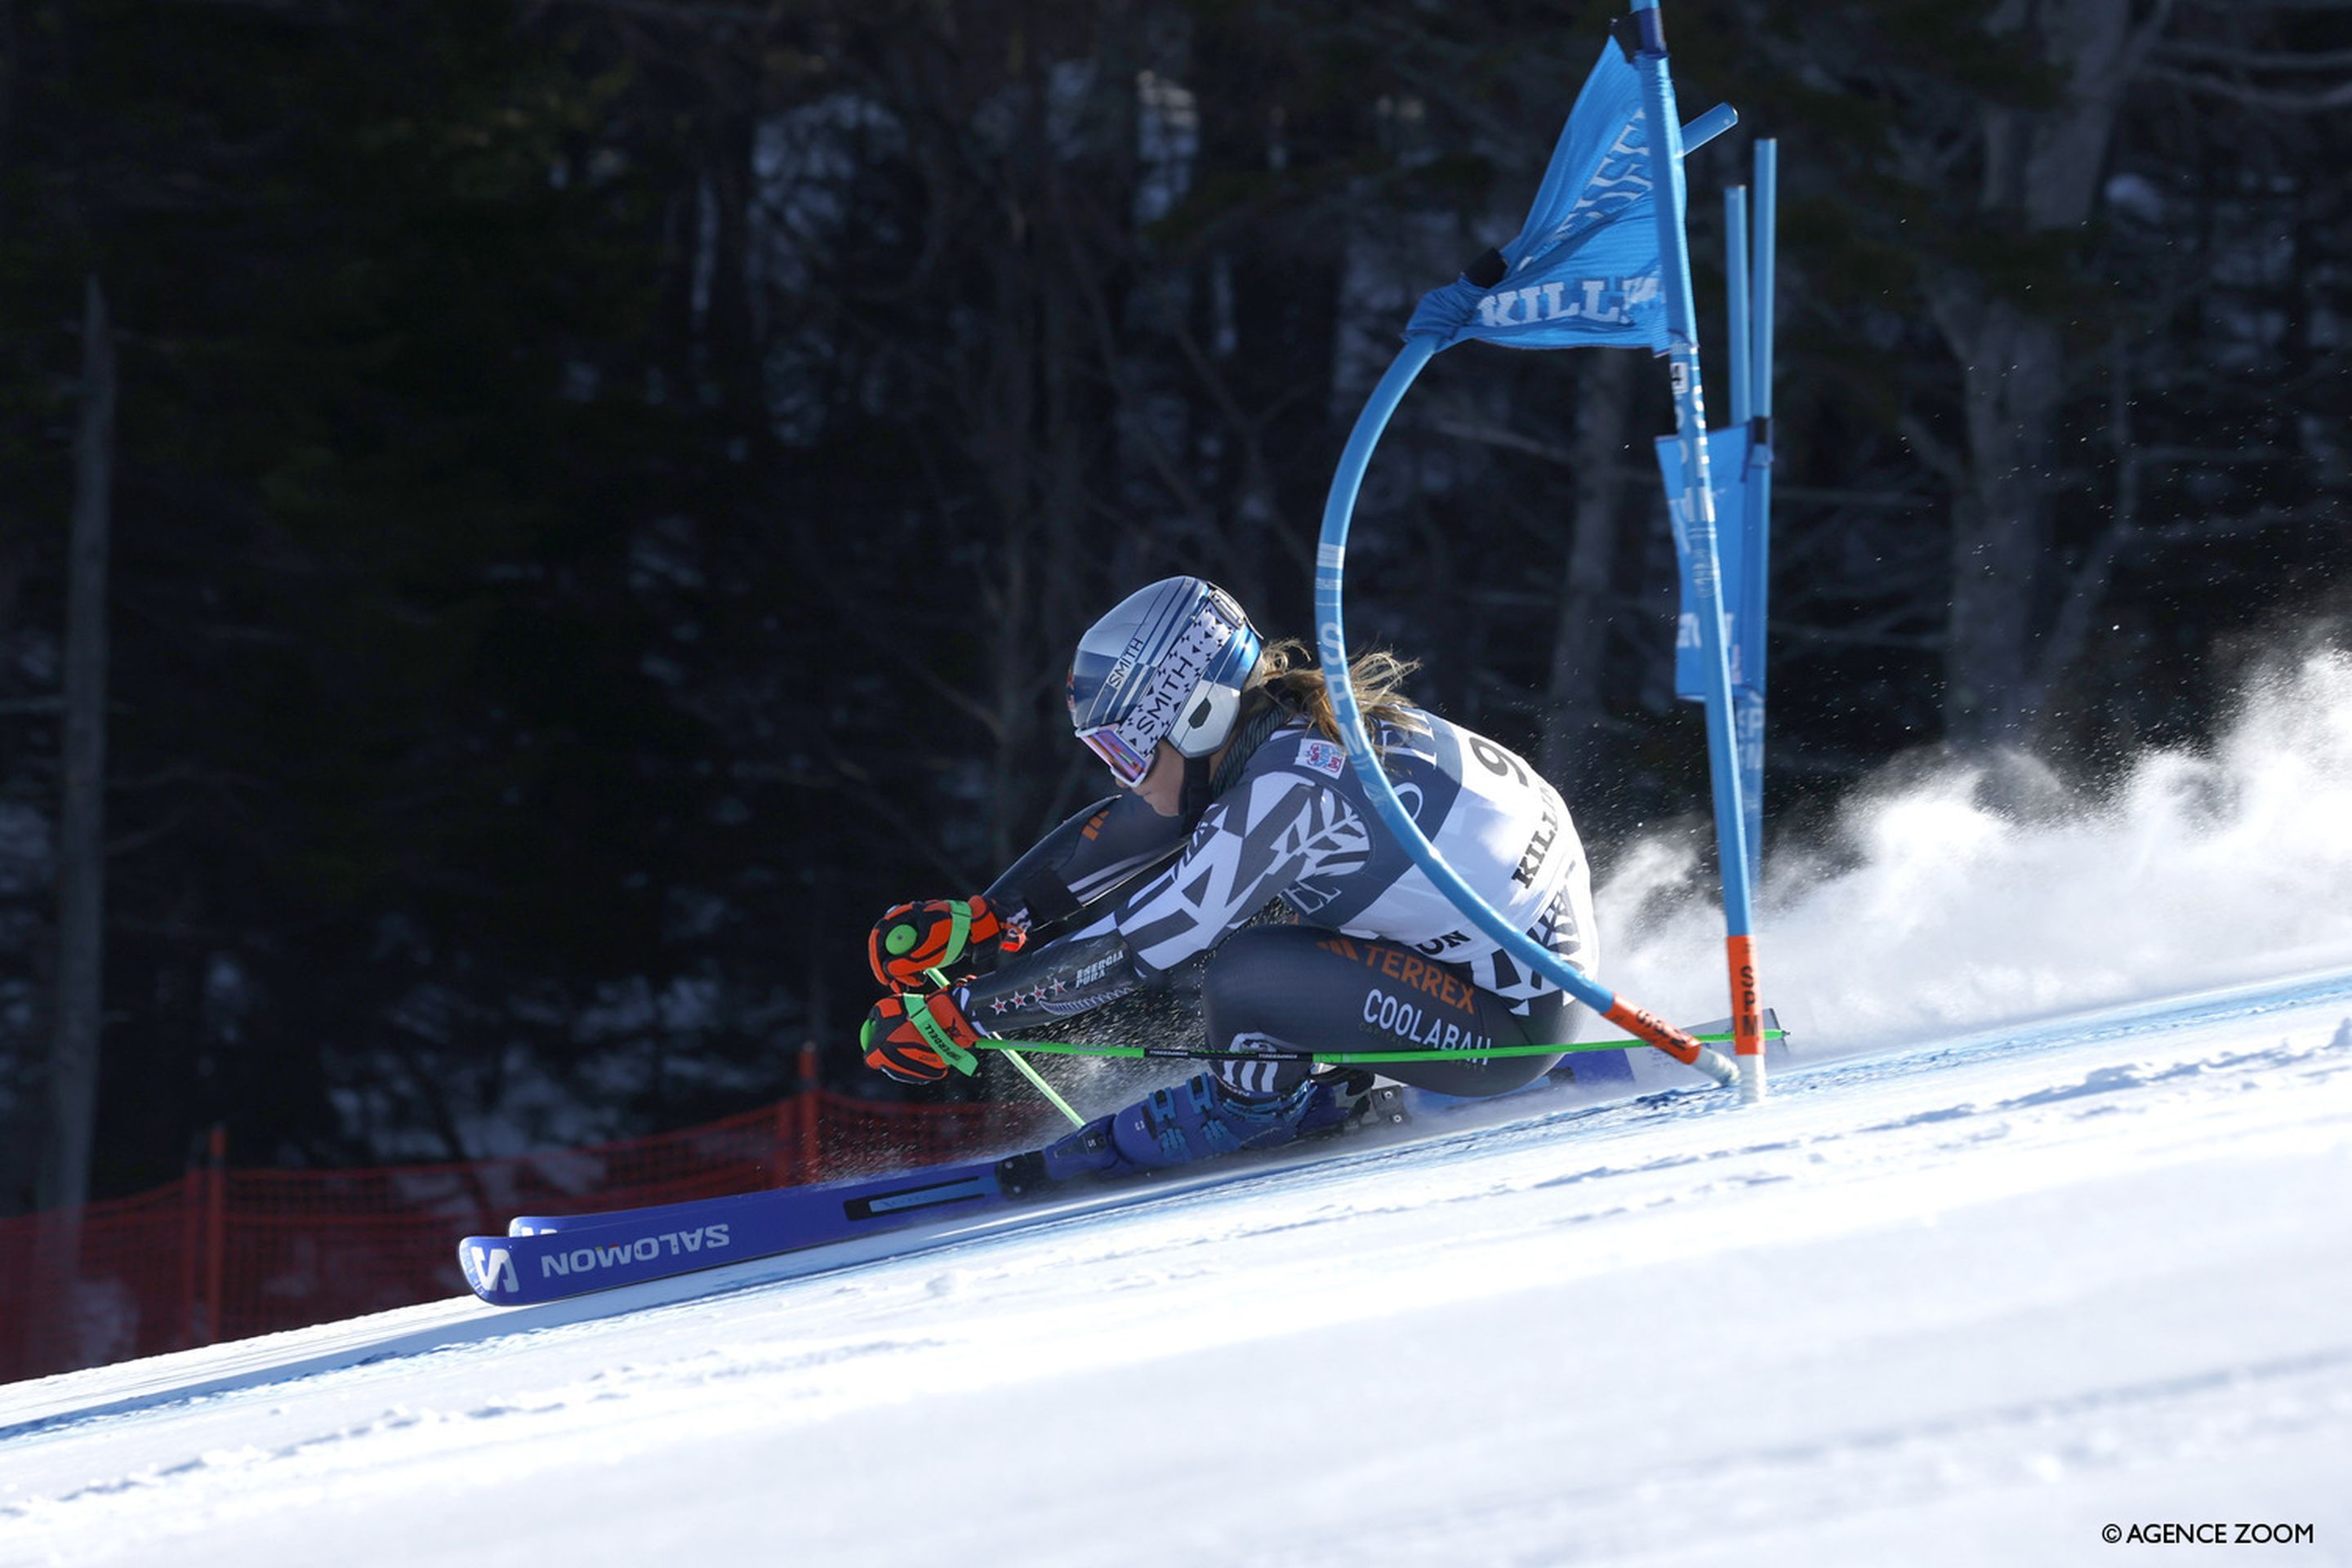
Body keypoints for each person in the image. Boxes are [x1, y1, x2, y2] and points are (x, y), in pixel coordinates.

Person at [859, 576, 1597, 1181]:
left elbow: (1142, 942)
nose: (1124, 778)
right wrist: (992, 918)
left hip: (1506, 1033)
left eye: (1126, 750)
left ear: (1202, 712)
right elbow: (1149, 820)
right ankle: (1302, 1092)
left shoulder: (1291, 789)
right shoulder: (1284, 731)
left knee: (1248, 974)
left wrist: (969, 1013)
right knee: (1241, 910)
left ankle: (1250, 1114)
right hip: (1514, 980)